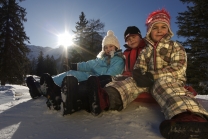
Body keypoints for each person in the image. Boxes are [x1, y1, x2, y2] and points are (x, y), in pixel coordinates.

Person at [88, 9, 208, 139]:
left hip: (170, 80)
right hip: (148, 82)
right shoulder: (145, 51)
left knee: (165, 84)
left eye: (163, 27)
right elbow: (139, 66)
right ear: (150, 30)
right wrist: (139, 74)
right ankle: (106, 98)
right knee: (131, 82)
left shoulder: (175, 46)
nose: (159, 30)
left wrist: (153, 75)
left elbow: (178, 67)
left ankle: (190, 117)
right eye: (155, 27)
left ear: (168, 30)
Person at [26, 30, 125, 112]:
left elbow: (113, 73)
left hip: (99, 81)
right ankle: (42, 86)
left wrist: (97, 79)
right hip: (90, 75)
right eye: (106, 47)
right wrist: (74, 66)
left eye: (111, 46)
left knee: (78, 85)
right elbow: (88, 65)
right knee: (71, 73)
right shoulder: (101, 59)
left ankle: (60, 94)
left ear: (116, 47)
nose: (108, 49)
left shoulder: (118, 60)